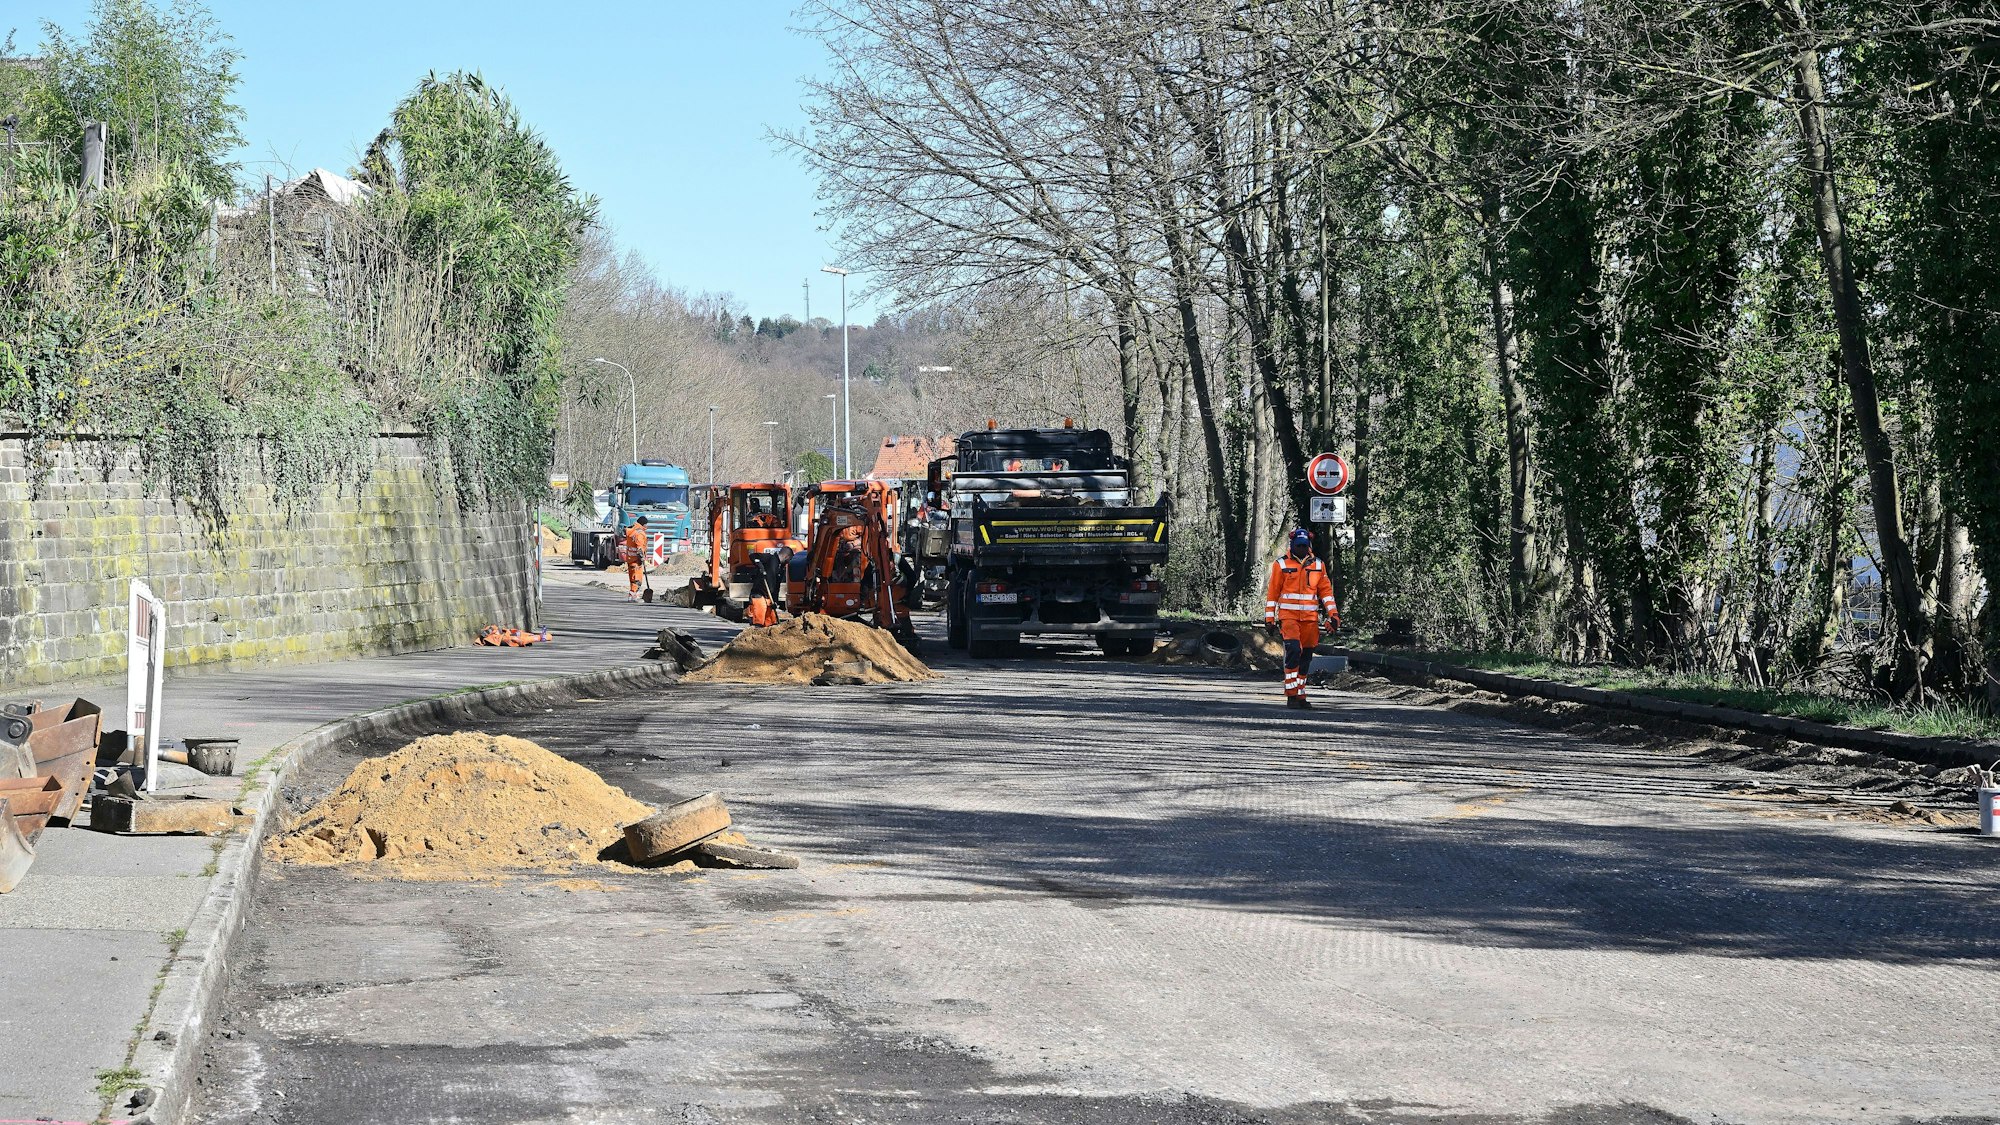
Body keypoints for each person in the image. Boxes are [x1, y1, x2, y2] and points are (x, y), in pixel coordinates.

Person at [1264, 528, 1339, 709]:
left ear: (1309, 546)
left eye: (1304, 546)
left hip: (1310, 620)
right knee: (1293, 652)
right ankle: (1291, 695)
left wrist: (1333, 615)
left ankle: (1300, 694)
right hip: (1288, 618)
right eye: (1298, 546)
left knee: (1305, 657)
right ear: (1292, 545)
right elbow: (1273, 593)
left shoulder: (1318, 566)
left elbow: (1326, 594)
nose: (1301, 548)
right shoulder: (1281, 565)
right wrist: (1269, 619)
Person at [622, 516, 650, 602]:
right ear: (643, 524)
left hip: (630, 559)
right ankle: (634, 596)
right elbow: (640, 547)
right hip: (636, 560)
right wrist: (641, 558)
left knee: (632, 578)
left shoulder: (632, 531)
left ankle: (631, 595)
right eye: (646, 524)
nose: (647, 526)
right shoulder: (640, 533)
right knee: (637, 579)